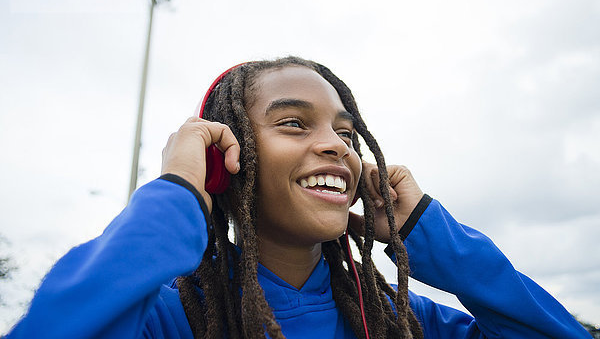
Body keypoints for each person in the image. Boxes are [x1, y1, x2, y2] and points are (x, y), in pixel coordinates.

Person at [6, 56, 590, 338]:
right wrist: (180, 194)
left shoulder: (396, 319)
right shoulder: (174, 316)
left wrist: (428, 232)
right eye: (292, 123)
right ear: (228, 159)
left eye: (345, 132)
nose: (336, 147)